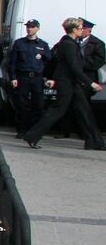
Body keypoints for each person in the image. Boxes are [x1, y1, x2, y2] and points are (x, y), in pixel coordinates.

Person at [23, 18, 104, 151]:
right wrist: (91, 83)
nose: (81, 30)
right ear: (74, 30)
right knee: (57, 110)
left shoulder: (70, 43)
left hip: (72, 82)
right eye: (80, 28)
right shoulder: (68, 45)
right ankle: (32, 135)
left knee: (84, 111)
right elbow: (74, 67)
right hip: (67, 83)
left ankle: (94, 142)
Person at [8, 19, 52, 136]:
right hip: (23, 77)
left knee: (38, 105)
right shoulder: (19, 43)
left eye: (32, 27)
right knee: (21, 105)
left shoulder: (43, 45)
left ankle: (35, 131)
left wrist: (47, 78)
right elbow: (12, 63)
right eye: (28, 27)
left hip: (37, 78)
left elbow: (49, 63)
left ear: (37, 28)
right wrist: (13, 78)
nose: (29, 29)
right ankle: (22, 130)